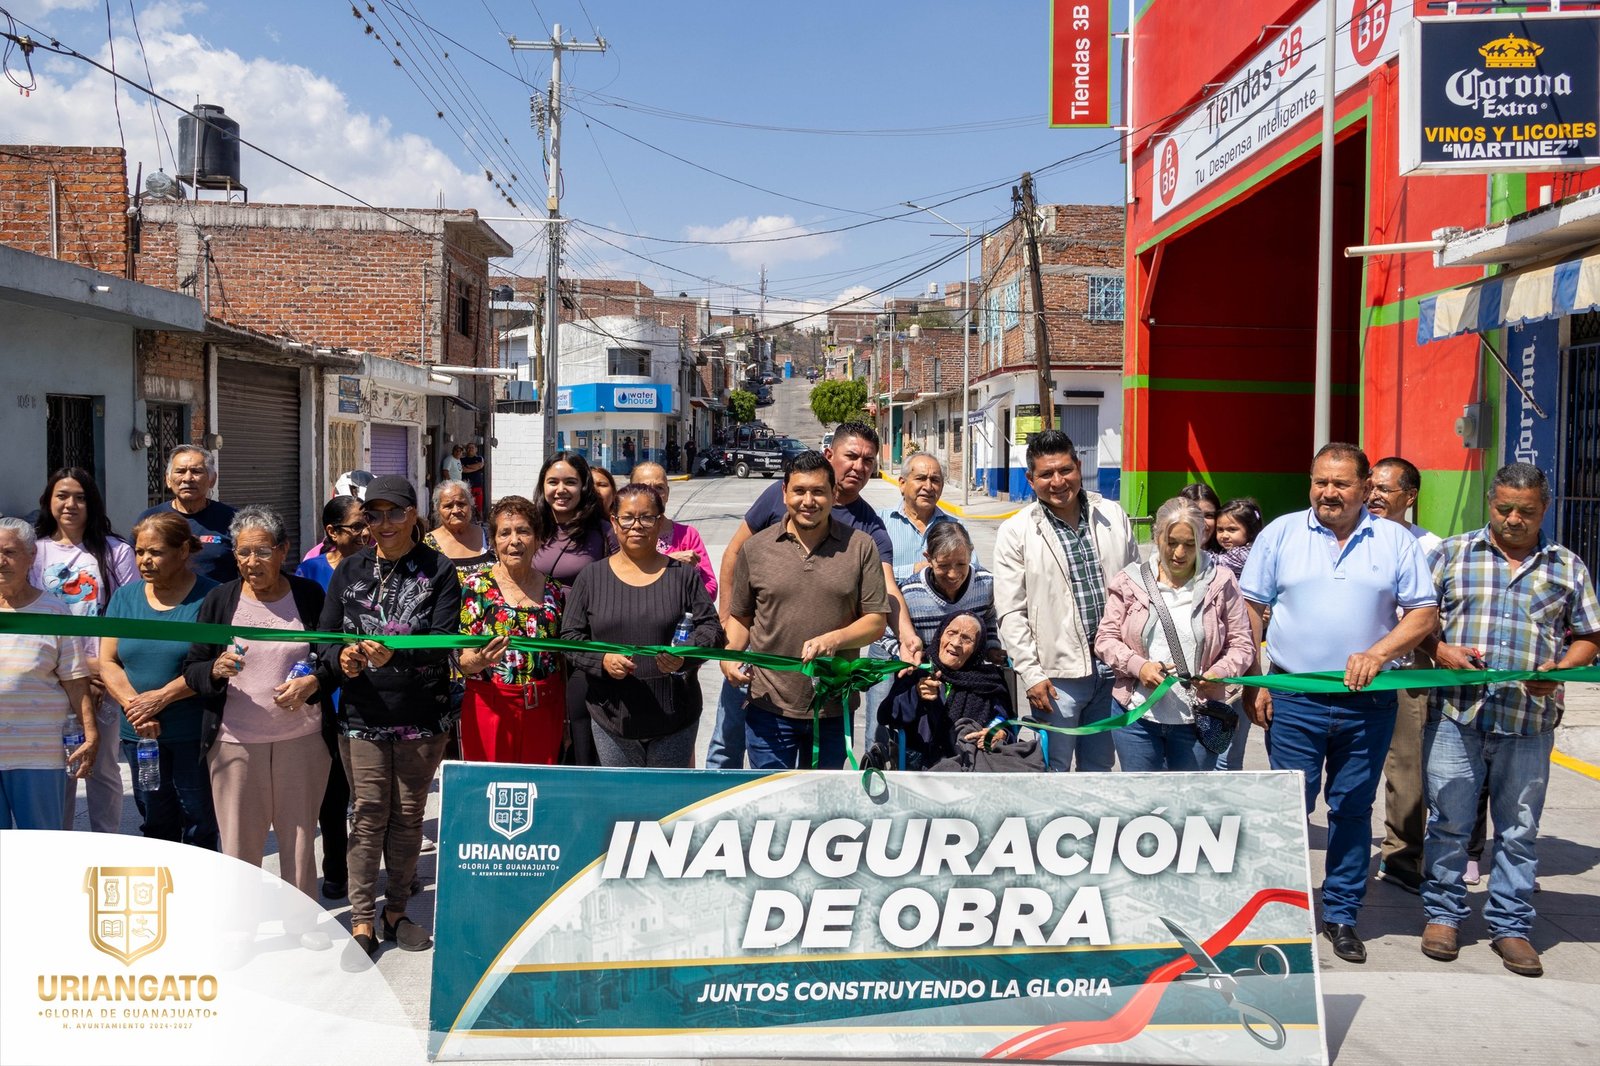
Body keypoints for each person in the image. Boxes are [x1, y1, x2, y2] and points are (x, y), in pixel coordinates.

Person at [1240, 442, 1437, 964]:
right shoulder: (1280, 533)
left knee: (1352, 809)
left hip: (1366, 703)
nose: (1328, 493)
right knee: (1286, 810)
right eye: (1320, 482)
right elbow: (1251, 610)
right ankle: (1279, 913)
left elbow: (1422, 614)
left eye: (1341, 484)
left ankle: (1342, 914)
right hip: (1295, 697)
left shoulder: (1394, 540)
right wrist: (1257, 681)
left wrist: (1379, 652)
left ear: (1365, 487)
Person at [1416, 463, 1600, 978]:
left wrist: (1563, 668)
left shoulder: (1567, 566)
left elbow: (1589, 634)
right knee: (1449, 822)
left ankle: (1511, 925)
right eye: (1504, 508)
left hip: (1529, 719)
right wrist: (1441, 649)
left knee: (1519, 829)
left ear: (1546, 508)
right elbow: (1415, 620)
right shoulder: (1451, 554)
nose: (1514, 519)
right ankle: (1443, 916)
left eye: (1528, 511)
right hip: (1456, 713)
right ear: (1489, 502)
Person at [709, 422, 920, 769]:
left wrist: (905, 636)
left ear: (832, 493)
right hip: (768, 702)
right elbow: (740, 605)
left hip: (832, 705)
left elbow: (882, 600)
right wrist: (727, 648)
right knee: (736, 759)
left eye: (868, 460)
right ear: (784, 493)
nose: (808, 501)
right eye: (851, 456)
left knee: (821, 805)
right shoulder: (758, 547)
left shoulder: (865, 538)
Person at [316, 475, 460, 961]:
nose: (383, 524)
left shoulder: (438, 569)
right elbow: (325, 638)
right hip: (362, 715)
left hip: (422, 716)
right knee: (367, 814)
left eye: (394, 512)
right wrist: (346, 661)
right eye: (373, 515)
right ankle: (361, 920)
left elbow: (444, 641)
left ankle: (396, 910)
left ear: (414, 515)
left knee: (407, 818)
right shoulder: (349, 569)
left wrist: (392, 659)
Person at [181, 506, 339, 908]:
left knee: (300, 839)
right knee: (239, 844)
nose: (252, 562)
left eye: (262, 551)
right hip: (234, 742)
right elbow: (194, 667)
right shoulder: (220, 600)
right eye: (243, 553)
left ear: (283, 550)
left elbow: (332, 658)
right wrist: (214, 669)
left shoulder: (308, 596)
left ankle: (302, 918)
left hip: (302, 740)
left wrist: (312, 682)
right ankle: (241, 923)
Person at [993, 430, 1139, 773]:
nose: (1058, 481)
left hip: (1114, 670)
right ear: (1031, 479)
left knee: (1100, 767)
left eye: (1065, 470)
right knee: (1052, 770)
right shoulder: (1017, 532)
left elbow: (1138, 592)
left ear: (1079, 465)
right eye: (1046, 474)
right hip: (1057, 679)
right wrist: (1030, 674)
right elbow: (1011, 612)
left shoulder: (1112, 517)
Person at [562, 484, 723, 768]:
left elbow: (711, 630)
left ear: (660, 522)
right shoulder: (591, 578)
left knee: (666, 804)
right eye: (627, 517)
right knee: (621, 804)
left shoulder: (683, 576)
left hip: (675, 716)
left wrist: (684, 654)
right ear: (614, 521)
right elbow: (570, 638)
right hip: (611, 715)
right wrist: (602, 660)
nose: (636, 526)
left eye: (646, 517)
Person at [1095, 498, 1256, 772]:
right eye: (1171, 542)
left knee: (1189, 805)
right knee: (1143, 803)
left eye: (1190, 544)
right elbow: (1105, 639)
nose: (1179, 553)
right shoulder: (1129, 581)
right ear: (1157, 537)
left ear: (1202, 538)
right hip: (1137, 716)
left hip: (1198, 719)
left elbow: (1242, 644)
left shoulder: (1222, 581)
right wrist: (1139, 666)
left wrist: (1218, 673)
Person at [98, 512, 219, 848]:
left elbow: (216, 663)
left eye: (156, 552)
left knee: (200, 821)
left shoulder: (212, 598)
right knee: (154, 820)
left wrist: (160, 698)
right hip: (139, 734)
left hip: (191, 732)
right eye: (139, 552)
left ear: (183, 551)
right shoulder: (125, 598)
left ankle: (205, 894)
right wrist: (136, 708)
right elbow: (108, 662)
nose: (145, 560)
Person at [32, 468, 137, 833]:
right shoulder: (33, 550)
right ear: (48, 501)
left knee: (104, 766)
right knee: (57, 765)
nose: (71, 504)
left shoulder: (116, 552)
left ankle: (107, 844)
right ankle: (59, 845)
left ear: (92, 503)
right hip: (48, 677)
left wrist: (99, 669)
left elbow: (128, 614)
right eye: (62, 495)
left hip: (100, 675)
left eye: (80, 497)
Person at [1367, 456, 1445, 897]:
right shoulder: (1349, 536)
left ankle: (1400, 856)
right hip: (1348, 661)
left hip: (1405, 666)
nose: (1374, 495)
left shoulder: (1431, 546)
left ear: (1409, 497)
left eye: (1385, 489)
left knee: (1407, 765)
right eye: (1371, 487)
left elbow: (1430, 615)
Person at [0, 518, 96, 830]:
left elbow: (76, 679)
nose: (1, 561)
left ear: (31, 557)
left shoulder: (53, 611)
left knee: (42, 848)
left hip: (38, 754)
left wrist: (90, 733)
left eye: (9, 552)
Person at [455, 496, 566, 764]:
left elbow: (562, 659)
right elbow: (464, 661)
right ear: (493, 542)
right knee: (490, 790)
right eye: (505, 533)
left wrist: (566, 717)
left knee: (538, 791)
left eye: (523, 531)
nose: (514, 541)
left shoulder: (554, 589)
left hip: (545, 706)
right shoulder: (476, 586)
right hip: (490, 704)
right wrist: (481, 660)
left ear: (538, 539)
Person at [295, 495, 368, 900]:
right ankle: (336, 869)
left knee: (374, 796)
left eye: (367, 523)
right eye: (356, 525)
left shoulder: (381, 566)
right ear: (332, 533)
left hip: (375, 697)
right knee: (332, 792)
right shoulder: (310, 573)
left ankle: (384, 872)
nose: (365, 532)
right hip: (327, 695)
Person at [531, 452, 618, 768]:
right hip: (538, 652)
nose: (560, 489)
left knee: (581, 738)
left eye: (570, 482)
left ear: (584, 488)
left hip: (583, 650)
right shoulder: (532, 527)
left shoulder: (604, 533)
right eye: (552, 482)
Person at [877, 611, 1012, 770]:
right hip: (924, 766)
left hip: (975, 765)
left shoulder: (987, 681)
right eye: (951, 633)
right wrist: (916, 694)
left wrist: (999, 732)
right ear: (940, 635)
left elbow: (1003, 719)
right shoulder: (918, 669)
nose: (955, 643)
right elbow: (887, 716)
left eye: (966, 639)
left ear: (977, 650)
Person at [896, 522, 1002, 659]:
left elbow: (988, 617)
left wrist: (991, 647)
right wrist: (909, 655)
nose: (953, 574)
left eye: (961, 564)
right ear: (928, 558)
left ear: (970, 554)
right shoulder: (909, 594)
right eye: (943, 565)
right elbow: (888, 635)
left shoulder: (985, 584)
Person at [1212, 496, 1264, 772]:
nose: (1223, 535)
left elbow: (1210, 561)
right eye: (1221, 530)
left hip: (1240, 649)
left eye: (1232, 530)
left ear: (1250, 531)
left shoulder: (1245, 554)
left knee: (1228, 745)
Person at [137, 445, 239, 583]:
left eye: (196, 471)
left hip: (218, 602)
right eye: (180, 471)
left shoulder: (233, 519)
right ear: (168, 479)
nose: (188, 478)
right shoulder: (150, 518)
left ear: (212, 479)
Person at [629, 462, 716, 597]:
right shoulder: (623, 534)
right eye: (645, 488)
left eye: (659, 488)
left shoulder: (688, 535)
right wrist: (670, 562)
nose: (654, 495)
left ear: (667, 494)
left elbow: (710, 587)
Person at [424, 480, 494, 576]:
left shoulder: (489, 537)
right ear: (438, 510)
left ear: (471, 505)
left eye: (461, 504)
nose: (456, 510)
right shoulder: (427, 544)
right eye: (448, 506)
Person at [1178, 482, 1223, 553]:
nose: (1202, 523)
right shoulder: (1161, 556)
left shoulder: (1235, 558)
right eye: (1194, 515)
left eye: (1209, 515)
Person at [461, 443, 486, 515]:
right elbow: (463, 470)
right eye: (468, 448)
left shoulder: (479, 458)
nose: (470, 449)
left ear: (476, 449)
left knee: (478, 507)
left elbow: (479, 465)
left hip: (477, 486)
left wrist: (468, 466)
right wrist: (474, 468)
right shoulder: (462, 459)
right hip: (465, 486)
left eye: (472, 447)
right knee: (466, 507)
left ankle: (480, 523)